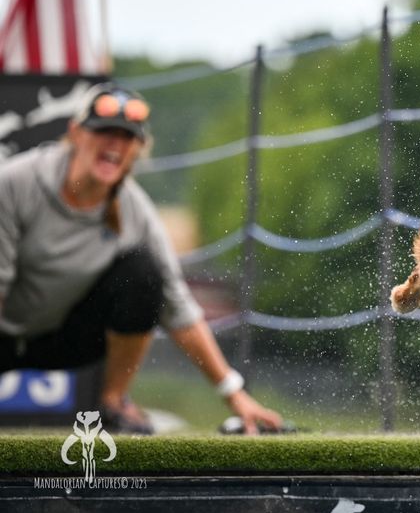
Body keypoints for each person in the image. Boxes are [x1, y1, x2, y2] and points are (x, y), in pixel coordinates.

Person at [0, 83, 282, 434]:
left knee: (145, 272)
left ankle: (114, 406)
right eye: (104, 131)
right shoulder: (13, 184)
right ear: (75, 133)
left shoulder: (136, 214)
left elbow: (179, 310)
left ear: (139, 149)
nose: (115, 144)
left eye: (127, 136)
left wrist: (235, 395)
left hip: (66, 340)